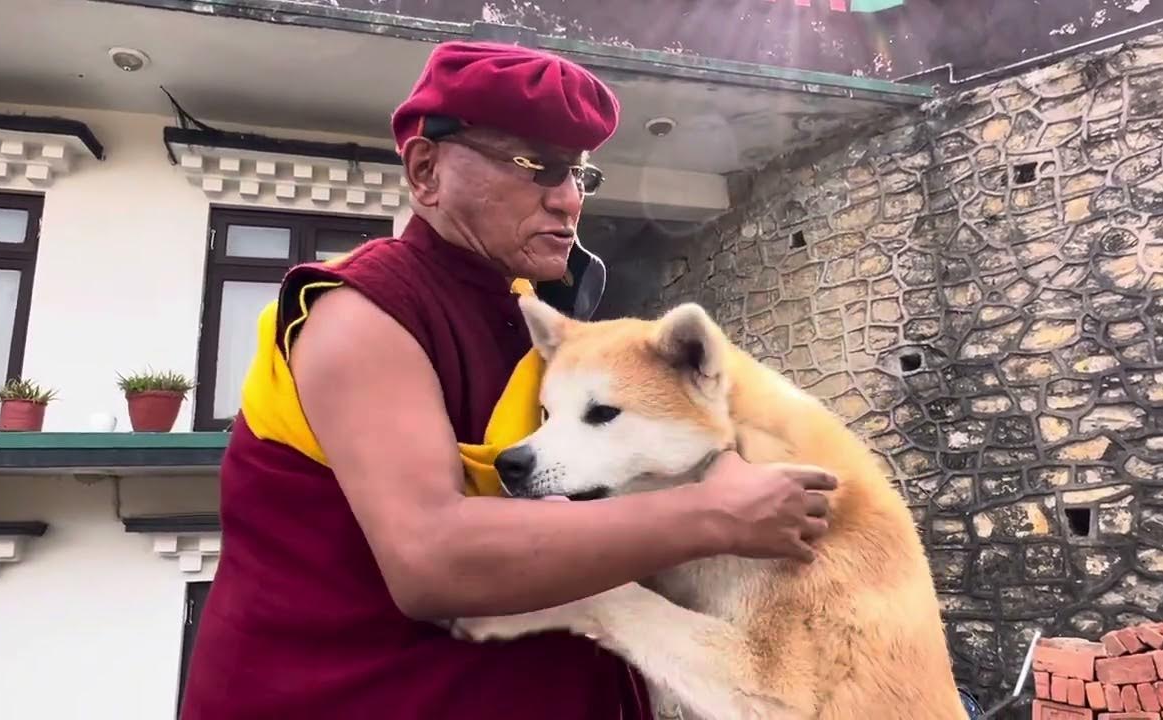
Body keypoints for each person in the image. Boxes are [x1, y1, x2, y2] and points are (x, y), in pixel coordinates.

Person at [179, 40, 835, 720]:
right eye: (537, 167)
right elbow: (432, 559)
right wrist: (714, 516)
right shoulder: (362, 312)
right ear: (426, 170)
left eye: (581, 175)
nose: (568, 200)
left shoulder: (526, 311)